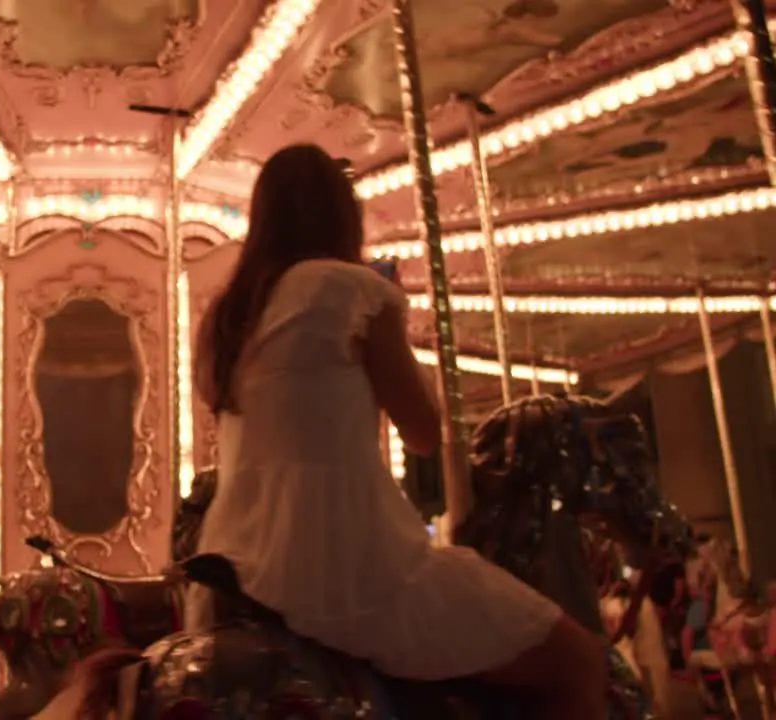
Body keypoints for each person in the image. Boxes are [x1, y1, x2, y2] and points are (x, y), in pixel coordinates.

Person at [188, 143, 607, 719]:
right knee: (580, 662)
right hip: (345, 559)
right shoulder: (354, 289)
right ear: (342, 215)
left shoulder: (224, 315)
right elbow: (424, 431)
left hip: (230, 562)